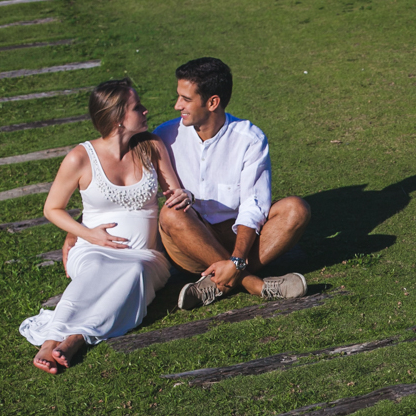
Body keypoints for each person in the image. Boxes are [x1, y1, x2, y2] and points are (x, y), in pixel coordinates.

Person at [21, 78, 191, 374]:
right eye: (137, 107)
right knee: (96, 269)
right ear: (117, 117)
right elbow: (52, 208)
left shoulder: (151, 146)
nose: (146, 111)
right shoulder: (81, 157)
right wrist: (87, 235)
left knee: (133, 273)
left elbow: (175, 190)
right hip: (92, 248)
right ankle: (52, 340)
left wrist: (182, 196)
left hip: (144, 257)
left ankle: (75, 337)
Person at [154, 57, 311, 309]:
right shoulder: (164, 136)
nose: (176, 105)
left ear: (212, 102)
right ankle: (254, 285)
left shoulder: (249, 138)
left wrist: (236, 259)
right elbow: (130, 184)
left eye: (185, 99)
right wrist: (77, 231)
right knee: (172, 214)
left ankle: (218, 281)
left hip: (239, 242)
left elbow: (254, 204)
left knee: (296, 210)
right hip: (189, 244)